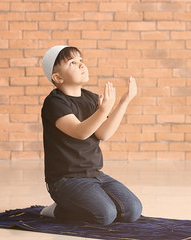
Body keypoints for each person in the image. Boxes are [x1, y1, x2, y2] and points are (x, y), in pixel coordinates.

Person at [40, 45, 142, 226]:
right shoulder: (54, 103)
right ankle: (58, 208)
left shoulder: (91, 98)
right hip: (65, 180)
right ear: (58, 77)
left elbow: (103, 133)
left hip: (94, 174)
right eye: (72, 62)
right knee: (105, 215)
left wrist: (124, 102)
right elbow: (80, 132)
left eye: (81, 60)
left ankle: (85, 201)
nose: (81, 65)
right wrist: (103, 110)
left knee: (132, 210)